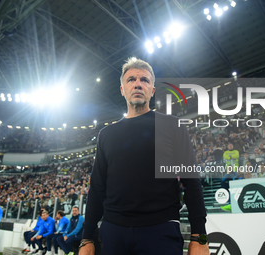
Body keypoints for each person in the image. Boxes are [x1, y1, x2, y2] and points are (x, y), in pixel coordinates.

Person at [79, 58, 208, 255]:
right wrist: (86, 238)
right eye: (131, 79)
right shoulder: (106, 134)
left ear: (152, 90)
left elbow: (191, 182)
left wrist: (200, 237)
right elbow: (97, 188)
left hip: (161, 232)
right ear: (122, 89)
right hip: (113, 233)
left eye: (145, 80)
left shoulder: (173, 125)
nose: (138, 83)